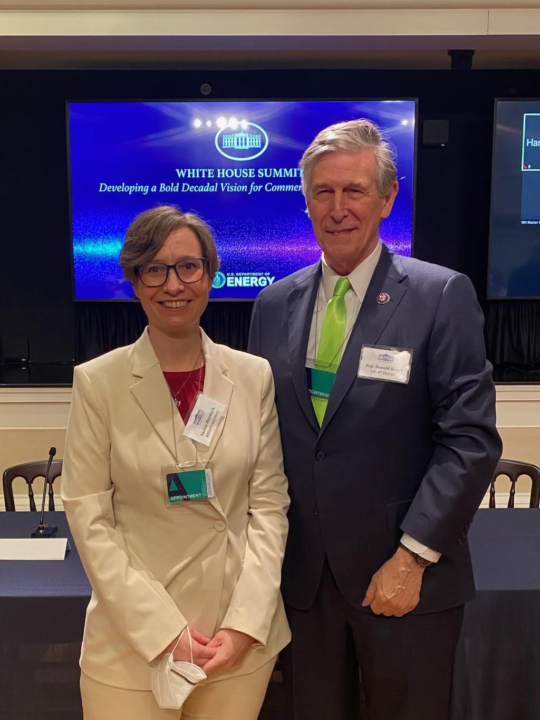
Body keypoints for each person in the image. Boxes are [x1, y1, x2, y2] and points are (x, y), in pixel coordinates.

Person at [248, 119, 502, 720]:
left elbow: (469, 441)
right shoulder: (273, 304)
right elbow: (265, 438)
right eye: (323, 192)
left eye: (354, 191)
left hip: (403, 579)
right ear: (307, 200)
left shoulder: (440, 295)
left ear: (387, 198)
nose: (338, 209)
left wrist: (412, 557)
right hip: (305, 583)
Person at [61, 205, 290, 720]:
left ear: (210, 274)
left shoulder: (253, 377)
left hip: (234, 645)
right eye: (155, 269)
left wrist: (245, 624)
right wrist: (165, 632)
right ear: (135, 280)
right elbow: (89, 520)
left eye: (188, 266)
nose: (174, 284)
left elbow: (270, 509)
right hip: (132, 648)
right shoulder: (99, 382)